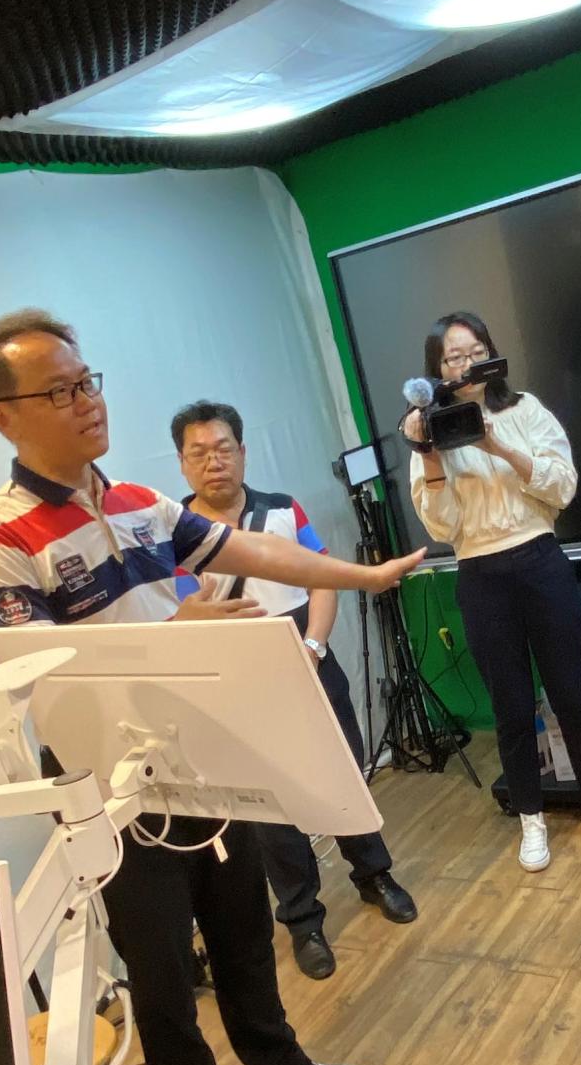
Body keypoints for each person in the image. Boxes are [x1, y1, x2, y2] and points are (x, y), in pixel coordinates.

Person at [0, 310, 425, 1065]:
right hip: (106, 786)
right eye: (60, 391)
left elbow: (256, 549)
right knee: (163, 966)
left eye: (87, 381)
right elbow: (43, 673)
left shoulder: (139, 503)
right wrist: (179, 630)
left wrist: (362, 576)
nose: (87, 402)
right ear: (4, 417)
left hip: (195, 747)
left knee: (244, 930)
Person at [170, 398, 417, 982]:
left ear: (242, 451)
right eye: (198, 453)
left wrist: (313, 645)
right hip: (238, 685)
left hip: (308, 661)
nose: (213, 462)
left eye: (223, 448)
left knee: (342, 774)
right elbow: (179, 612)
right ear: (182, 463)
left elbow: (321, 579)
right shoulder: (173, 533)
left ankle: (373, 874)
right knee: (270, 807)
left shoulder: (283, 509)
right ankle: (303, 919)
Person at [404, 312, 581, 875]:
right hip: (479, 573)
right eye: (453, 357)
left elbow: (563, 487)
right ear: (437, 371)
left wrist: (497, 445)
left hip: (539, 560)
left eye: (475, 351)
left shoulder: (525, 410)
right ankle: (531, 820)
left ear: (491, 354)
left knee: (571, 695)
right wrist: (431, 459)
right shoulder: (431, 433)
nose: (466, 364)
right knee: (510, 707)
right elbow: (442, 527)